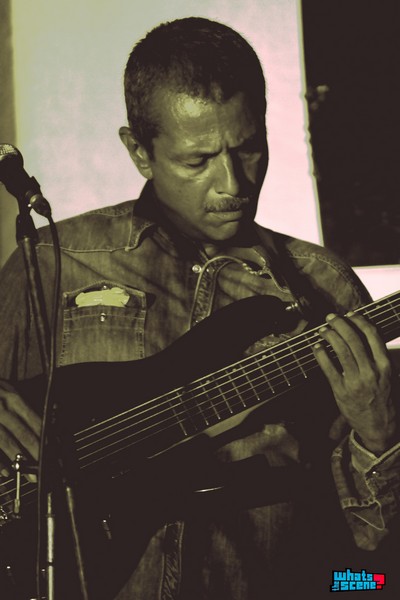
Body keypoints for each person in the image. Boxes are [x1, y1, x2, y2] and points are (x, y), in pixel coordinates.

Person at [0, 16, 399, 600]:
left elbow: (369, 563)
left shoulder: (323, 286)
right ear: (139, 151)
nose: (232, 183)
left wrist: (378, 436)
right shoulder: (52, 261)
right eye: (197, 160)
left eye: (249, 148)